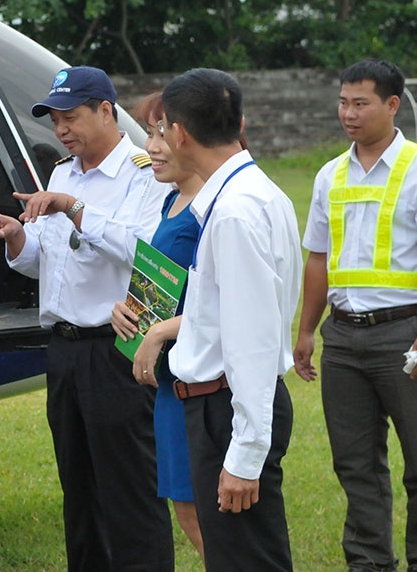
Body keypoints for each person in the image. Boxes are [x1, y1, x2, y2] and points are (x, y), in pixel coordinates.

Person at [0, 65, 172, 572]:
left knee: (130, 486)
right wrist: (17, 236)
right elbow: (48, 260)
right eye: (55, 119)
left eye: (71, 117)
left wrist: (75, 208)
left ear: (106, 111)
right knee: (78, 487)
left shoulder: (144, 172)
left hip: (118, 344)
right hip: (64, 348)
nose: (61, 130)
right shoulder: (62, 172)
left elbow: (146, 249)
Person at [161, 68, 300, 571]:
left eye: (161, 129)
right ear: (239, 121)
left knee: (247, 561)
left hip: (228, 408)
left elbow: (253, 341)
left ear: (178, 132)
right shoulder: (251, 195)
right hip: (226, 406)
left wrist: (245, 455)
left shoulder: (237, 211)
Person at [293, 59, 417, 572]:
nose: (348, 113)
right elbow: (318, 260)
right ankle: (368, 563)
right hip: (343, 340)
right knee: (355, 464)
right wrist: (306, 331)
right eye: (343, 102)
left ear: (392, 105)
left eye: (360, 103)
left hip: (406, 335)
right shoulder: (330, 175)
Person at [109, 92, 206, 561]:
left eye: (160, 131)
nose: (152, 145)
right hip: (171, 381)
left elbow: (229, 304)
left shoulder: (212, 208)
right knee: (186, 507)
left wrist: (160, 332)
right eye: (149, 131)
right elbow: (159, 285)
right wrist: (128, 311)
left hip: (205, 381)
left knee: (212, 513)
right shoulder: (169, 199)